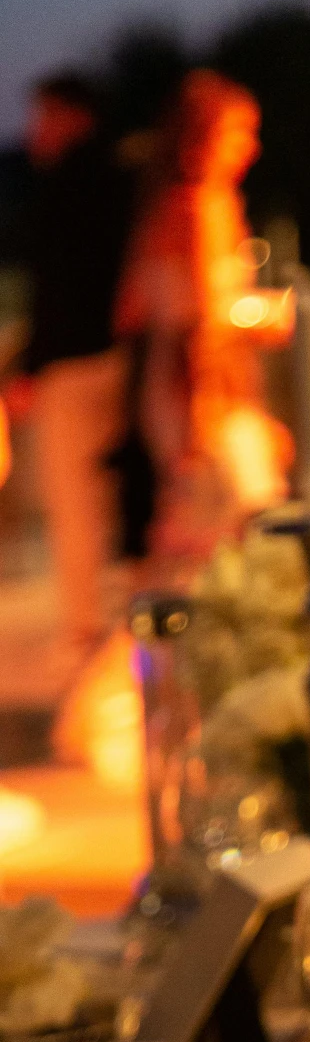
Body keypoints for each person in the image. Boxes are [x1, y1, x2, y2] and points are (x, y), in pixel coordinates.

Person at [114, 69, 290, 564]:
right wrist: (269, 313)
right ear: (204, 137)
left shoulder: (162, 209)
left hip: (178, 383)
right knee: (238, 523)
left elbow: (133, 311)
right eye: (238, 133)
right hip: (200, 386)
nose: (248, 148)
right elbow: (205, 320)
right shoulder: (200, 206)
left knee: (203, 522)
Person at [4, 72, 134, 664]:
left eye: (42, 117)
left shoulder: (65, 190)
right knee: (108, 497)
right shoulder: (124, 181)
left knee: (72, 499)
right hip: (119, 358)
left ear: (70, 115)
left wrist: (29, 368)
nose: (35, 133)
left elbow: (53, 289)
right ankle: (114, 622)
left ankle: (86, 629)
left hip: (74, 364)